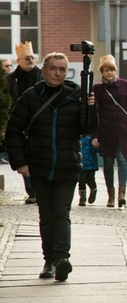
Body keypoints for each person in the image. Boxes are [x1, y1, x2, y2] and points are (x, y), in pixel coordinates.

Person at [5, 52, 97, 281]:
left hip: (67, 165)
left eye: (62, 69)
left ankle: (62, 258)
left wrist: (91, 108)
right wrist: (20, 163)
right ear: (44, 70)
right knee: (46, 215)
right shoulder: (31, 97)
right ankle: (49, 261)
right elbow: (14, 130)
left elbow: (87, 129)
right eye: (53, 68)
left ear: (67, 72)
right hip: (39, 165)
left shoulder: (76, 95)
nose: (58, 73)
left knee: (61, 212)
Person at [92, 55, 127, 208]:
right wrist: (95, 135)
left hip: (124, 129)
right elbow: (95, 113)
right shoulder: (97, 88)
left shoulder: (126, 84)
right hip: (106, 130)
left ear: (115, 70)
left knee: (123, 161)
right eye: (106, 70)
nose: (109, 73)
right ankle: (110, 194)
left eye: (111, 70)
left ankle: (121, 194)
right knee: (108, 163)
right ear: (102, 72)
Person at [6, 41, 43, 204]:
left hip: (38, 122)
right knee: (24, 156)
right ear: (19, 60)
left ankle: (38, 189)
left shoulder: (42, 76)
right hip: (19, 122)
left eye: (32, 57)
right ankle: (32, 191)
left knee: (37, 156)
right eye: (26, 58)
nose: (30, 60)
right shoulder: (10, 80)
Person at [78, 134, 99, 206]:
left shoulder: (91, 137)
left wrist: (95, 145)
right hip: (81, 163)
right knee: (81, 180)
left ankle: (93, 190)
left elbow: (96, 150)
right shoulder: (78, 138)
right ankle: (82, 197)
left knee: (91, 179)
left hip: (91, 163)